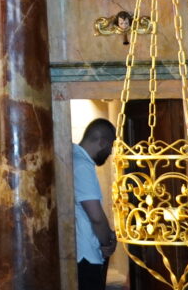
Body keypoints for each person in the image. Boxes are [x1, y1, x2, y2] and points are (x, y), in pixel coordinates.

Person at [75, 118, 119, 290]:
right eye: (110, 146)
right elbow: (95, 216)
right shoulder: (82, 165)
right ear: (102, 142)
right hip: (85, 256)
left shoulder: (74, 157)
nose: (110, 153)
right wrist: (107, 242)